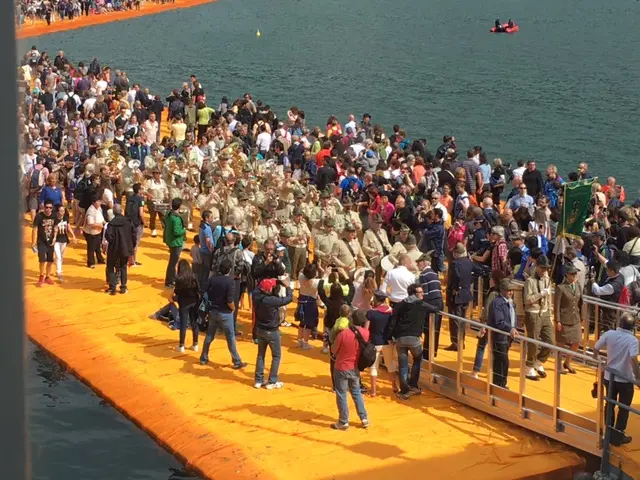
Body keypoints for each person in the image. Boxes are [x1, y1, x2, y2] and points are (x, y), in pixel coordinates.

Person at [594, 313, 640, 446]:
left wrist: (597, 359)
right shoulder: (632, 340)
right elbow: (633, 359)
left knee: (609, 405)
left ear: (619, 323)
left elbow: (596, 348)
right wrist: (637, 378)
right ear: (632, 327)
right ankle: (618, 436)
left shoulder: (609, 334)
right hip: (625, 381)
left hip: (609, 377)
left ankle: (608, 433)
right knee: (623, 408)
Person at [387, 283, 439, 400]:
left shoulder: (400, 304)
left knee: (403, 365)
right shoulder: (421, 304)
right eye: (420, 293)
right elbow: (436, 309)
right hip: (414, 338)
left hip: (400, 338)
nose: (422, 294)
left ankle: (404, 390)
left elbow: (393, 321)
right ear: (414, 294)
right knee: (417, 359)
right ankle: (413, 385)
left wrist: (390, 336)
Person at [200, 258, 247, 368]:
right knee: (230, 338)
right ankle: (236, 361)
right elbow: (229, 300)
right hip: (225, 313)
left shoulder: (213, 279)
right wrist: (233, 308)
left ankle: (203, 358)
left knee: (209, 336)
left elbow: (204, 290)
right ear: (229, 270)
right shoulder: (230, 282)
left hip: (213, 311)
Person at [331, 309, 370, 430]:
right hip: (355, 367)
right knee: (356, 392)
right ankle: (364, 418)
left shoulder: (343, 334)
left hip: (341, 366)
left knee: (341, 394)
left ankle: (343, 421)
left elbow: (333, 350)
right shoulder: (365, 333)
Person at [253, 277, 294, 389]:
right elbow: (289, 299)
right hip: (271, 331)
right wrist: (288, 286)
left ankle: (258, 380)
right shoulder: (271, 301)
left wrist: (278, 282)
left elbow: (259, 287)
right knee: (276, 356)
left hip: (260, 329)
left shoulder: (256, 295)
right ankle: (272, 381)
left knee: (261, 355)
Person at [523, 255, 554, 381]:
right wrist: (541, 294)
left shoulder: (547, 280)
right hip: (533, 313)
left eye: (546, 268)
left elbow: (549, 299)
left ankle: (539, 361)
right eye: (542, 268)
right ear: (537, 267)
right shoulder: (530, 281)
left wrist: (550, 314)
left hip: (545, 313)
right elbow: (528, 300)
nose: (544, 271)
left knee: (550, 342)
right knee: (533, 342)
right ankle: (529, 366)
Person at [486, 278, 519, 388]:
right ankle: (499, 385)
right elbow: (499, 321)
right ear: (502, 290)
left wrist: (513, 328)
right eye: (508, 290)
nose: (511, 292)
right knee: (502, 362)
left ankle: (500, 384)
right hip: (499, 338)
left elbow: (512, 317)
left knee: (502, 362)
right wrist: (510, 329)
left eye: (512, 290)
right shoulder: (497, 303)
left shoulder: (511, 303)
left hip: (507, 338)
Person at [367, 290, 397, 396]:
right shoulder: (391, 311)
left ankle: (374, 391)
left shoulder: (371, 313)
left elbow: (367, 329)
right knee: (390, 365)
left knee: (374, 367)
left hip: (374, 342)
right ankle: (394, 386)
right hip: (387, 342)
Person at [554, 263, 583, 374]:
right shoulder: (560, 288)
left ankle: (568, 362)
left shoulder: (578, 285)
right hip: (564, 319)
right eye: (572, 274)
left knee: (577, 341)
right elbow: (556, 305)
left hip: (575, 318)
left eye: (575, 273)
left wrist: (582, 317)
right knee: (561, 343)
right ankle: (558, 364)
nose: (575, 275)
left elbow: (581, 302)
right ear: (567, 275)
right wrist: (558, 320)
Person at [445, 243, 473, 352]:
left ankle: (456, 342)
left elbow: (456, 276)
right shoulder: (468, 262)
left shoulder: (454, 264)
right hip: (466, 294)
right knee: (463, 319)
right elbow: (477, 272)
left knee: (454, 319)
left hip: (456, 296)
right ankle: (462, 341)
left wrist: (455, 288)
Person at [104, 204, 136, 295]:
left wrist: (113, 241)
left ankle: (112, 288)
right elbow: (134, 235)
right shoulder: (128, 222)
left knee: (110, 267)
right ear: (121, 211)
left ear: (114, 212)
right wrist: (131, 246)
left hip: (114, 249)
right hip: (125, 248)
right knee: (123, 267)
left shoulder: (111, 224)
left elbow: (108, 236)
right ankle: (123, 287)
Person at [172, 259, 201, 353]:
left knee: (183, 325)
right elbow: (199, 289)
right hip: (194, 302)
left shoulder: (179, 279)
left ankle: (181, 346)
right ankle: (195, 344)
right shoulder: (194, 276)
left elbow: (176, 292)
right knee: (194, 322)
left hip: (183, 303)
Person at [295, 263, 321, 349]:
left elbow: (301, 271)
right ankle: (305, 343)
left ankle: (299, 341)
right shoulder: (317, 282)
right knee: (309, 325)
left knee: (302, 323)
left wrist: (308, 268)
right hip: (311, 303)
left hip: (301, 301)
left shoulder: (301, 277)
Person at [31, 199, 56, 286]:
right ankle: (41, 276)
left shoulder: (54, 215)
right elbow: (34, 229)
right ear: (43, 207)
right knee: (42, 259)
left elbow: (55, 226)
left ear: (52, 208)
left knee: (50, 260)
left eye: (50, 207)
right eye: (46, 207)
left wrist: (55, 238)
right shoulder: (39, 216)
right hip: (41, 241)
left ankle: (47, 277)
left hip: (51, 242)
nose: (48, 209)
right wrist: (33, 242)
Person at [164, 198, 186, 288]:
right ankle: (170, 281)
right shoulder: (176, 219)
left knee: (172, 262)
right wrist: (183, 230)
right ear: (179, 206)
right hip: (176, 242)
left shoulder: (169, 214)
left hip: (170, 240)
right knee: (173, 263)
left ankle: (170, 279)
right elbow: (177, 232)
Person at [51, 204, 76, 283]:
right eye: (61, 211)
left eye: (63, 211)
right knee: (58, 256)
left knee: (61, 256)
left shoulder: (65, 218)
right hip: (57, 241)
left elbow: (68, 227)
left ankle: (58, 267)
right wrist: (54, 238)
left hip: (64, 239)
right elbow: (55, 229)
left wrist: (73, 235)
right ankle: (59, 272)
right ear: (58, 211)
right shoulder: (55, 219)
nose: (62, 212)